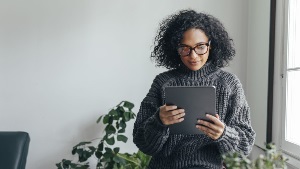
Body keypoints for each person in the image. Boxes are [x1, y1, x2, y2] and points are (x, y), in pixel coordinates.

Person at [133, 9, 256, 169]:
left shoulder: (229, 83)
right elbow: (143, 143)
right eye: (185, 48)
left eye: (200, 47)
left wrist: (224, 134)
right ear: (175, 48)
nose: (193, 56)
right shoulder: (162, 82)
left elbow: (244, 146)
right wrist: (159, 122)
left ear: (210, 45)